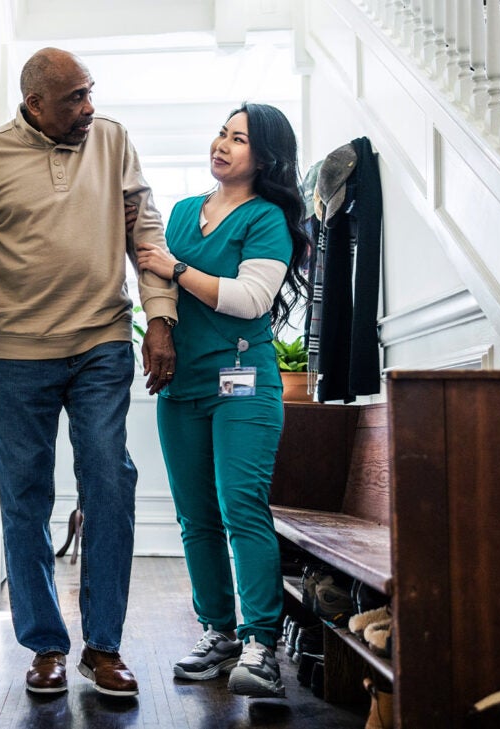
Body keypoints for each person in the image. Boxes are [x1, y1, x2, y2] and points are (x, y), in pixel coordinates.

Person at [0, 47, 178, 698]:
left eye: (90, 91)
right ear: (34, 106)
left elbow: (147, 232)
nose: (89, 107)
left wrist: (159, 317)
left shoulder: (112, 142)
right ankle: (46, 644)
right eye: (75, 98)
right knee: (24, 497)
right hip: (16, 348)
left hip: (101, 337)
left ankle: (103, 645)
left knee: (110, 478)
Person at [135, 102, 310, 699]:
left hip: (243, 383)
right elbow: (151, 278)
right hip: (180, 386)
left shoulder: (267, 219)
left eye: (239, 139)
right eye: (221, 133)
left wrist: (173, 266)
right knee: (195, 518)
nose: (223, 145)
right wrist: (158, 311)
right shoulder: (183, 212)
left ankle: (261, 642)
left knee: (242, 509)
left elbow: (249, 299)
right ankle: (218, 632)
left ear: (264, 157)